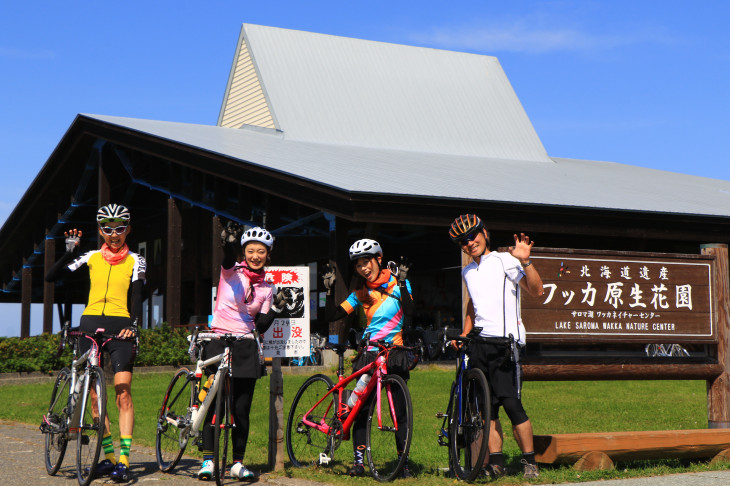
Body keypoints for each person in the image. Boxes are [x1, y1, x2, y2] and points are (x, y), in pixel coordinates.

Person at [45, 203, 146, 483]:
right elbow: (51, 277)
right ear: (100, 231)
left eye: (120, 229)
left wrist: (134, 325)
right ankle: (110, 458)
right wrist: (69, 251)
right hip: (89, 326)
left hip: (120, 328)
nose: (114, 235)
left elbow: (137, 295)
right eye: (107, 229)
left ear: (128, 230)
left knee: (122, 392)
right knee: (94, 397)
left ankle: (124, 461)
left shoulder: (136, 260)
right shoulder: (90, 256)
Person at [448, 214, 544, 480]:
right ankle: (497, 464)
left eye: (472, 236)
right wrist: (465, 334)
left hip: (504, 345)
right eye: (462, 242)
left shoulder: (504, 260)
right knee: (485, 410)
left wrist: (526, 262)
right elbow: (472, 305)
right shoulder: (467, 270)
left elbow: (536, 290)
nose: (469, 243)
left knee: (513, 406)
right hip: (478, 345)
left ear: (484, 233)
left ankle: (529, 462)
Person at [196, 223, 285, 481]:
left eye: (261, 252)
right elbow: (225, 257)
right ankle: (209, 461)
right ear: (244, 253)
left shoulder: (267, 288)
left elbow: (261, 326)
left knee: (241, 409)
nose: (255, 256)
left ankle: (237, 463)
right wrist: (228, 244)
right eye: (250, 251)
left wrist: (278, 310)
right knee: (215, 407)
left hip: (246, 345)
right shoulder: (231, 272)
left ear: (268, 255)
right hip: (219, 340)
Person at [322, 238, 414, 478]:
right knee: (360, 409)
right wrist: (328, 290)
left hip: (395, 352)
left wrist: (403, 283)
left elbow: (411, 312)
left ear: (379, 259)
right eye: (359, 265)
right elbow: (332, 314)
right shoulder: (360, 292)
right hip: (370, 353)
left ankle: (403, 463)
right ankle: (359, 462)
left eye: (367, 262)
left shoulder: (398, 283)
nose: (364, 268)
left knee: (399, 412)